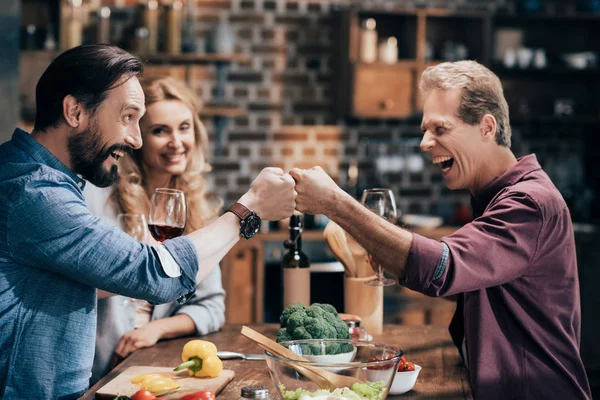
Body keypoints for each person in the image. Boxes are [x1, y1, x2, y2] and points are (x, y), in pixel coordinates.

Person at [0, 44, 295, 399]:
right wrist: (249, 209)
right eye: (127, 117)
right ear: (75, 111)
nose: (135, 138)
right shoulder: (35, 192)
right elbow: (152, 275)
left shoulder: (44, 179)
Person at [290, 60, 591, 399]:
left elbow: (443, 269)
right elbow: (469, 281)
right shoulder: (495, 198)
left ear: (487, 128)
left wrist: (334, 202)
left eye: (440, 129)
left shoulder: (529, 203)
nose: (424, 143)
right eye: (424, 130)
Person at [84, 76, 226, 384]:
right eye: (160, 131)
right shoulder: (100, 195)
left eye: (184, 128)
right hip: (95, 369)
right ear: (137, 138)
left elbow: (212, 306)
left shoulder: (197, 207)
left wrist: (155, 330)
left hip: (153, 367)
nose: (176, 142)